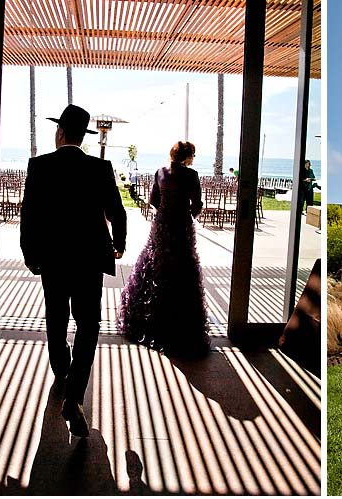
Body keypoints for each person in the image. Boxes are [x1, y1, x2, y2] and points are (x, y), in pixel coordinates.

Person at [20, 104, 127, 437]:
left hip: (52, 257)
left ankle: (62, 370)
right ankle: (75, 393)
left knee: (56, 316)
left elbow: (30, 215)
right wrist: (118, 244)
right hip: (89, 257)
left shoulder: (39, 166)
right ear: (83, 137)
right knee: (89, 322)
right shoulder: (100, 167)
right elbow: (117, 211)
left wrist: (29, 252)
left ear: (61, 132)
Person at [117, 141, 211, 358]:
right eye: (193, 155)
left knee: (155, 266)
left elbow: (153, 201)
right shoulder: (191, 175)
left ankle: (147, 318)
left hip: (161, 225)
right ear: (187, 156)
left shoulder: (160, 171)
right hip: (180, 227)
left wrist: (166, 212)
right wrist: (186, 214)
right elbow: (197, 205)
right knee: (182, 271)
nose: (193, 158)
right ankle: (178, 323)